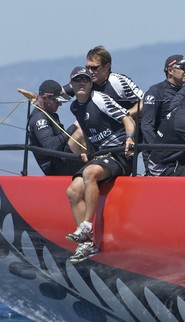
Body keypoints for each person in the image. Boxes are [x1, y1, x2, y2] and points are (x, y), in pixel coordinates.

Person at [65, 66, 136, 263]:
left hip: (119, 153)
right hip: (101, 155)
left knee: (90, 174)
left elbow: (127, 118)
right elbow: (87, 130)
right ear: (71, 84)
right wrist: (87, 149)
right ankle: (86, 243)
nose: (82, 83)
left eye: (85, 80)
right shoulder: (74, 106)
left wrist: (130, 138)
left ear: (90, 84)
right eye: (77, 80)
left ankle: (87, 225)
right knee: (72, 191)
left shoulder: (100, 99)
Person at [25, 80, 86, 175]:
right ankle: (96, 161)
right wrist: (74, 126)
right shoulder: (39, 118)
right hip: (54, 167)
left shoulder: (49, 113)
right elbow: (51, 147)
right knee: (79, 132)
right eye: (57, 101)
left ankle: (98, 159)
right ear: (45, 98)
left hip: (62, 159)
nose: (60, 104)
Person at [142, 54, 185, 145]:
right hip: (159, 151)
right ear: (170, 71)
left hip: (181, 150)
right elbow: (147, 126)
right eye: (182, 67)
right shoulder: (155, 92)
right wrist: (157, 150)